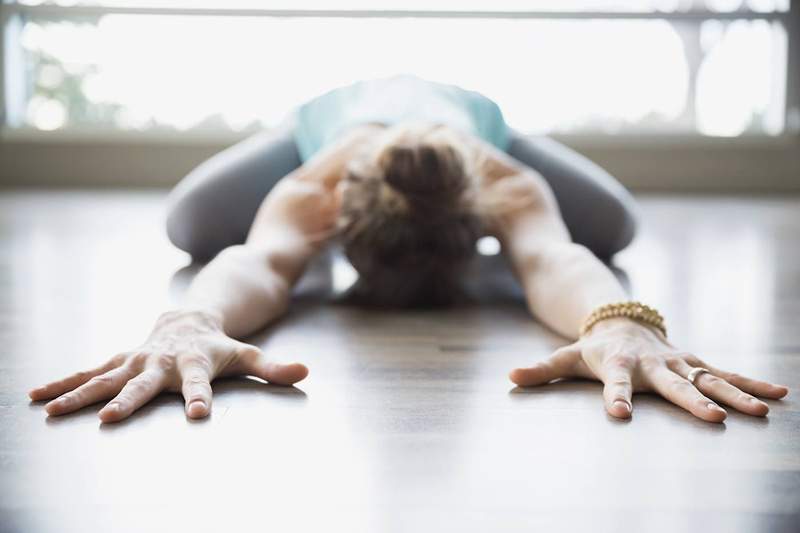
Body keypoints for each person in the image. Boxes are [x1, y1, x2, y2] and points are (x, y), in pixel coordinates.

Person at [29, 75, 787, 423]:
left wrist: (620, 321)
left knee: (612, 226)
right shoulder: (314, 182)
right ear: (335, 224)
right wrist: (189, 318)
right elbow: (259, 259)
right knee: (191, 223)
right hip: (320, 121)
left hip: (480, 120)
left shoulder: (505, 177)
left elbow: (555, 258)